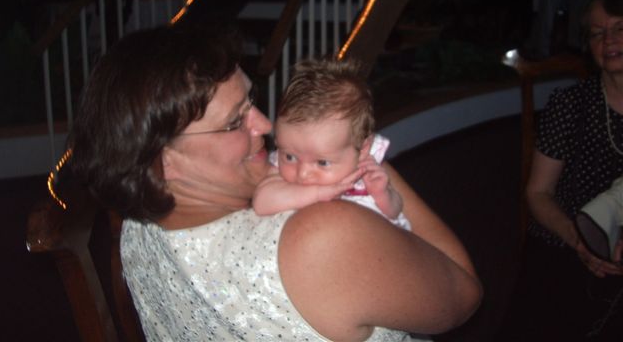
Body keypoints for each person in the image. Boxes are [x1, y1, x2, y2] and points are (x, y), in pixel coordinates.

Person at [64, 22, 481, 341]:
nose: (264, 125)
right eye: (235, 122)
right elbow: (462, 293)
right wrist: (361, 155)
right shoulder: (323, 237)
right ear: (162, 164)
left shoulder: (138, 225)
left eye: (251, 99)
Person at [503, 0, 623, 341]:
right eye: (597, 33)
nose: (609, 41)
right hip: (567, 238)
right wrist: (580, 242)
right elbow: (538, 193)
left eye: (620, 28)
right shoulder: (570, 105)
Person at [253, 58, 410, 231]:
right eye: (290, 157)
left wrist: (383, 195)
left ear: (363, 149)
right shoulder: (279, 173)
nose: (303, 173)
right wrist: (319, 194)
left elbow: (396, 211)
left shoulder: (367, 172)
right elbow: (262, 203)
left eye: (322, 162)